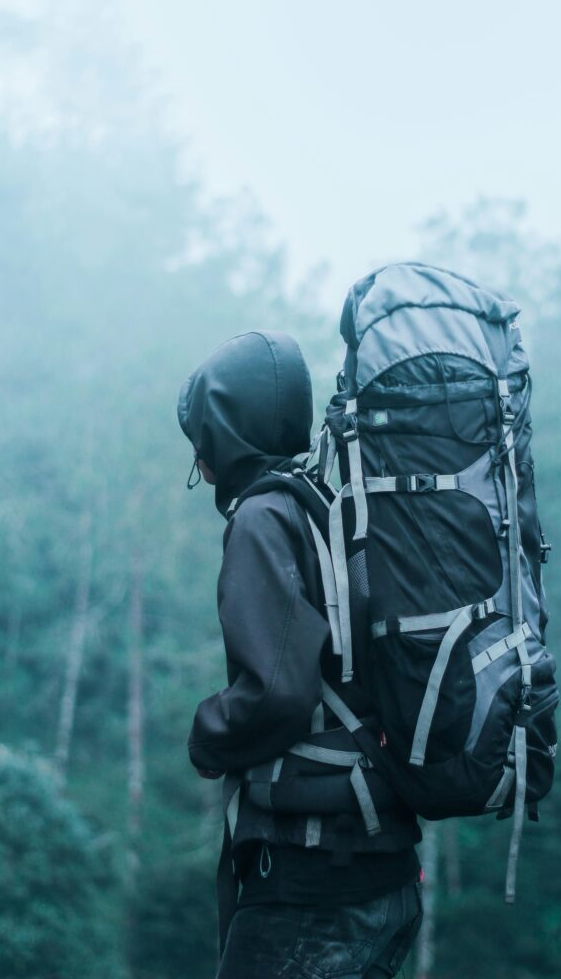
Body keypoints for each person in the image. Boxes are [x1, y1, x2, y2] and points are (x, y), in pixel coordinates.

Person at [178, 330, 423, 979]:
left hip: (310, 883)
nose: (200, 462)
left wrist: (206, 737)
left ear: (225, 433)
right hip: (382, 871)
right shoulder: (332, 509)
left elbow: (276, 693)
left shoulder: (262, 519)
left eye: (202, 440)